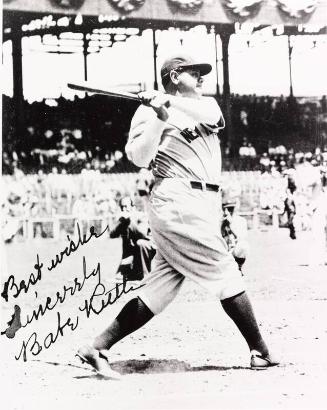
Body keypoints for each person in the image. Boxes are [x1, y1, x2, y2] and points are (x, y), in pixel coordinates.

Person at [77, 52, 279, 377]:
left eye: (202, 72)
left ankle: (97, 346)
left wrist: (168, 104)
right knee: (226, 270)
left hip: (202, 201)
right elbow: (139, 158)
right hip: (177, 197)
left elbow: (213, 117)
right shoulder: (147, 111)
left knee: (160, 288)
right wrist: (157, 114)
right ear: (173, 76)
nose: (201, 77)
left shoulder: (204, 105)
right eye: (193, 72)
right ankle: (260, 351)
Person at [109, 196, 156, 282]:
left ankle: (146, 275)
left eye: (127, 206)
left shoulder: (141, 216)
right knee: (121, 277)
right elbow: (112, 235)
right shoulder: (124, 221)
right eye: (122, 207)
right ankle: (133, 272)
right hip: (133, 252)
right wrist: (121, 223)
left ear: (133, 207)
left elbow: (143, 234)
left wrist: (130, 221)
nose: (125, 209)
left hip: (149, 247)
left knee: (140, 242)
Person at [221, 195, 249, 273]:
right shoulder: (220, 221)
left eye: (231, 209)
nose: (228, 211)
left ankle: (238, 267)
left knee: (244, 246)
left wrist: (231, 225)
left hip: (234, 250)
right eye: (225, 209)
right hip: (222, 251)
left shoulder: (241, 221)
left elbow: (241, 239)